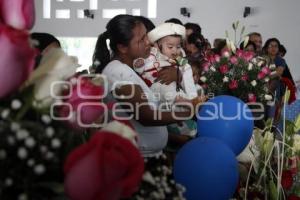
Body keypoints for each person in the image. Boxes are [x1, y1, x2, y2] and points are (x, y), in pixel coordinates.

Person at [92, 14, 203, 198]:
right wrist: (188, 111)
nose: (149, 42)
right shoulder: (118, 72)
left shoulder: (130, 70)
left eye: (147, 36)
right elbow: (146, 115)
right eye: (142, 39)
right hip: (136, 161)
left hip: (147, 158)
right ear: (122, 47)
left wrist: (177, 74)